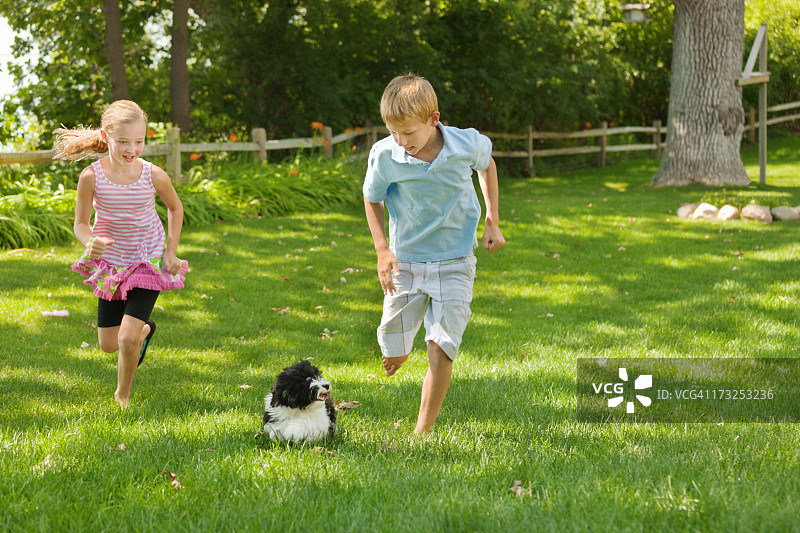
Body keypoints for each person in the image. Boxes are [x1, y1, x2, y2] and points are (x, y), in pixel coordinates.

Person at [363, 74, 505, 434]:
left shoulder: (464, 144)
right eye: (394, 131)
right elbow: (372, 197)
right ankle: (399, 346)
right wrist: (383, 250)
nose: (401, 141)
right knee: (392, 350)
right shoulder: (386, 155)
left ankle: (421, 433)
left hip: (456, 261)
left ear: (433, 119)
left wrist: (492, 219)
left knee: (441, 347)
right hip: (407, 261)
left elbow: (487, 164)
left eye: (409, 133)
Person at [53, 100, 188, 407]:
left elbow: (175, 207)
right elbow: (80, 224)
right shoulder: (91, 176)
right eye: (124, 141)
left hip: (146, 259)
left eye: (139, 141)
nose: (132, 149)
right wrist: (90, 242)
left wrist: (170, 250)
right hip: (111, 264)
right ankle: (146, 330)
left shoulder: (152, 174)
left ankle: (122, 395)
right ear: (106, 136)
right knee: (109, 345)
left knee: (127, 339)